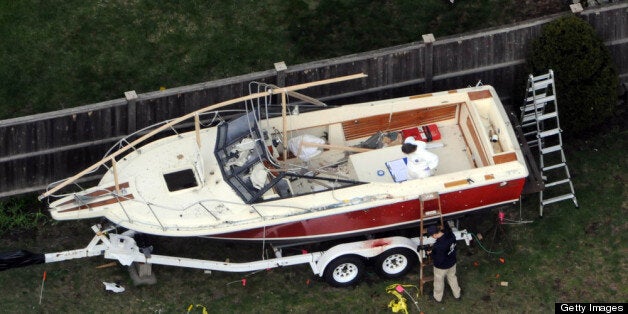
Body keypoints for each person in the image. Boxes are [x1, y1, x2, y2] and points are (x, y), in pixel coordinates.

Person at [428, 224, 461, 303]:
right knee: (452, 277)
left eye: (432, 236)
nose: (432, 237)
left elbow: (438, 259)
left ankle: (437, 298)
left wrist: (430, 253)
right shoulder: (451, 235)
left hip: (442, 267)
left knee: (438, 281)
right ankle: (457, 295)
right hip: (452, 262)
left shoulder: (438, 246)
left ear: (435, 234)